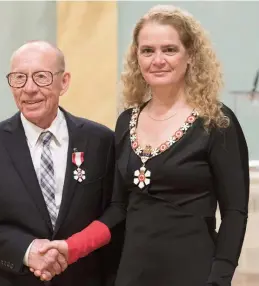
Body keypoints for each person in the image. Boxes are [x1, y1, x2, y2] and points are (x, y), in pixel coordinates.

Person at [34, 5, 250, 286]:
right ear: (137, 58)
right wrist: (71, 247)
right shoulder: (126, 121)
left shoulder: (217, 122)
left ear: (191, 56)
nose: (157, 59)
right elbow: (118, 208)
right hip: (133, 272)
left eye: (169, 49)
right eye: (147, 51)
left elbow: (234, 213)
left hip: (194, 273)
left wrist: (219, 278)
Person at [0, 41, 124, 286]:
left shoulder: (100, 141)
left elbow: (116, 211)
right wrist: (27, 252)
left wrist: (73, 248)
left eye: (41, 77)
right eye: (19, 78)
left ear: (63, 82)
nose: (29, 88)